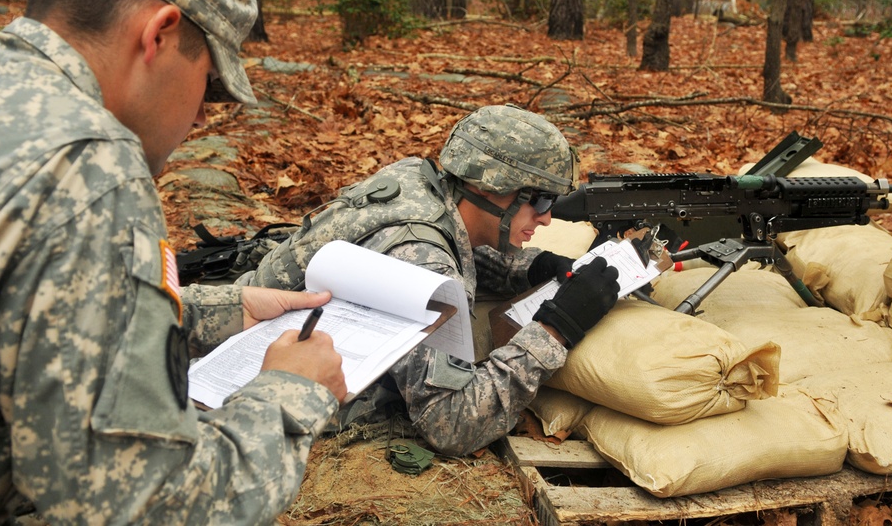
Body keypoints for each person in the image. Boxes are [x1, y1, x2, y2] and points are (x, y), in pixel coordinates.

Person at [0, 0, 347, 523]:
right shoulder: (89, 165)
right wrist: (291, 395)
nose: (201, 114)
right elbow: (140, 503)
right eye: (209, 83)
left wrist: (222, 307)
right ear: (160, 32)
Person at [237, 104, 622, 456]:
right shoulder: (425, 263)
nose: (547, 219)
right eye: (539, 201)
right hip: (257, 384)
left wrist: (533, 267)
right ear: (489, 187)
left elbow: (455, 246)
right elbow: (452, 422)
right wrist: (556, 329)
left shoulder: (417, 182)